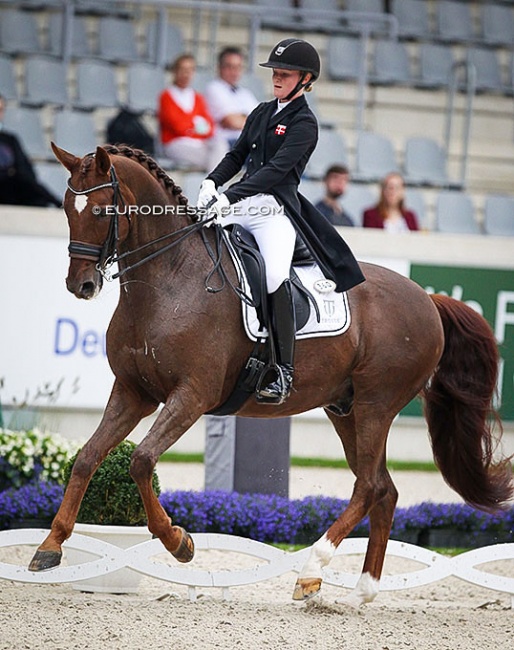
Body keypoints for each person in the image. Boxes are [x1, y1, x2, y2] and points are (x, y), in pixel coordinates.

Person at [196, 38, 365, 405]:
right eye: (274, 72)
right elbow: (238, 155)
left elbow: (275, 172)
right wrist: (211, 182)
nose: (276, 78)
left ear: (306, 80)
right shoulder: (259, 112)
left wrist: (228, 197)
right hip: (241, 203)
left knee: (274, 275)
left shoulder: (305, 123)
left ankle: (282, 370)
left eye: (284, 74)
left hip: (275, 211)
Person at [158, 53, 225, 170]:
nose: (186, 74)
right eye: (183, 70)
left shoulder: (198, 97)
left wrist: (192, 128)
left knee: (220, 145)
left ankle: (211, 184)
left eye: (190, 70)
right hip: (175, 144)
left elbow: (209, 127)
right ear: (175, 71)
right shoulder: (166, 96)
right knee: (216, 159)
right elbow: (178, 127)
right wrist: (196, 127)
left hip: (199, 144)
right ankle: (214, 185)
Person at [0, 95, 61, 207]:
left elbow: (25, 169)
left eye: (1, 110)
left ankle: (60, 205)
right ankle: (59, 204)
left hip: (12, 188)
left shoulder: (10, 139)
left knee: (36, 197)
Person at [204, 46, 259, 152]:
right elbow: (231, 122)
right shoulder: (214, 88)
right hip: (227, 144)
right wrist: (248, 117)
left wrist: (241, 117)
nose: (234, 72)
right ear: (219, 67)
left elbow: (262, 119)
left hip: (247, 141)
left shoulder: (245, 93)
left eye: (238, 67)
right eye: (229, 67)